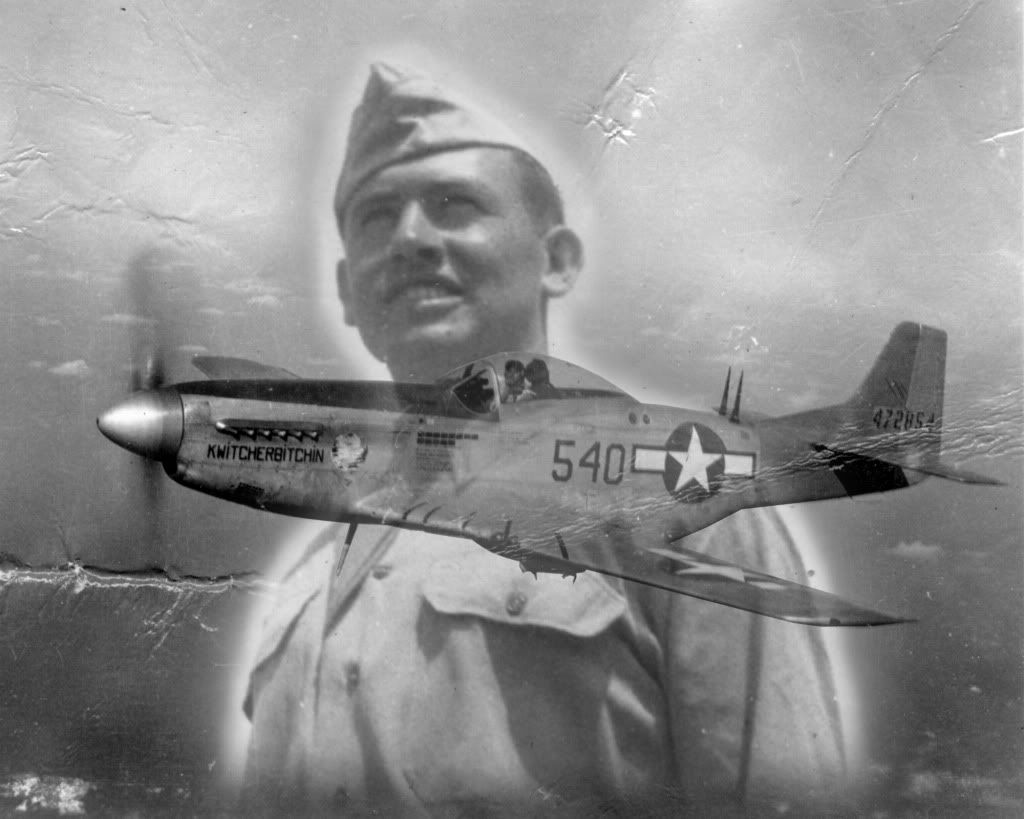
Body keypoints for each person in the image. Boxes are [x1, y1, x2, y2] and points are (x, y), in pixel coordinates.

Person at [242, 63, 846, 815]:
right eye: (376, 217)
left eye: (453, 204)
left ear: (555, 261)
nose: (410, 238)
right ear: (347, 292)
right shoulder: (308, 576)